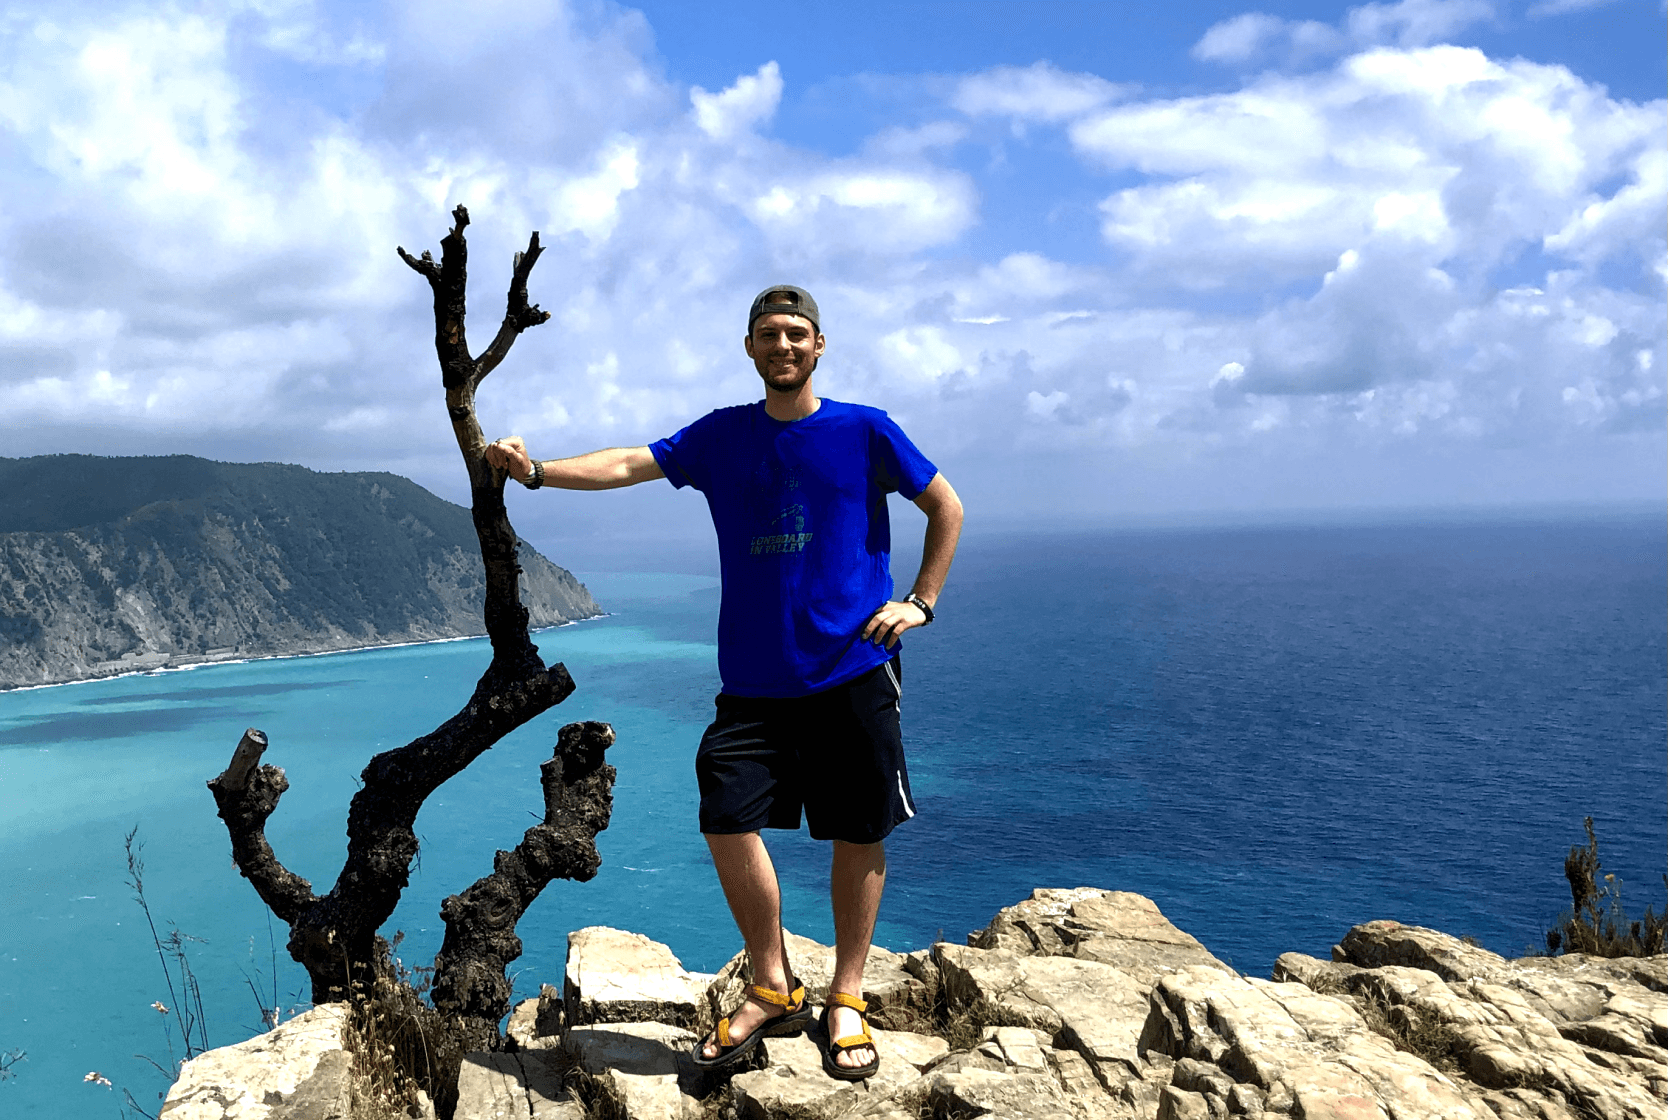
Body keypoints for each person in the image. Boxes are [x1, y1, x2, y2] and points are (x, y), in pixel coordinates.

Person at [485, 285, 962, 1081]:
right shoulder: (722, 436)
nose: (783, 346)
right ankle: (772, 982)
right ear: (749, 348)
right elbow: (632, 462)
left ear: (819, 346)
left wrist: (920, 602)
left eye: (797, 334)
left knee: (859, 828)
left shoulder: (865, 429)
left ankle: (847, 997)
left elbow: (944, 506)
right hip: (754, 681)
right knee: (724, 808)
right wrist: (534, 472)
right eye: (769, 334)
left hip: (853, 665)